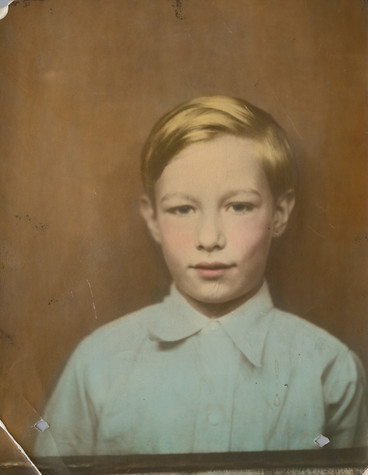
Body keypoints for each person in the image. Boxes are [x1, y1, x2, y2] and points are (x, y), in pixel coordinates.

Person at [34, 95, 367, 456]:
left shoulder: (329, 369)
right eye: (182, 209)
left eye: (239, 206)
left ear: (281, 213)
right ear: (152, 218)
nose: (209, 239)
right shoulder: (97, 363)